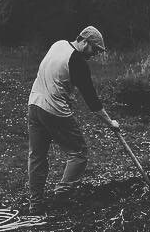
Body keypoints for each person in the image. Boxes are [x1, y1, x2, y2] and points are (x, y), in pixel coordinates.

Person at [26, 25, 119, 214]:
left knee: (37, 156)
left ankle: (35, 204)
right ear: (84, 41)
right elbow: (92, 100)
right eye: (94, 49)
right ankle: (61, 195)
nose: (93, 54)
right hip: (53, 110)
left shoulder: (59, 45)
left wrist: (66, 91)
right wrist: (110, 122)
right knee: (78, 153)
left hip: (34, 105)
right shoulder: (77, 61)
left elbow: (52, 74)